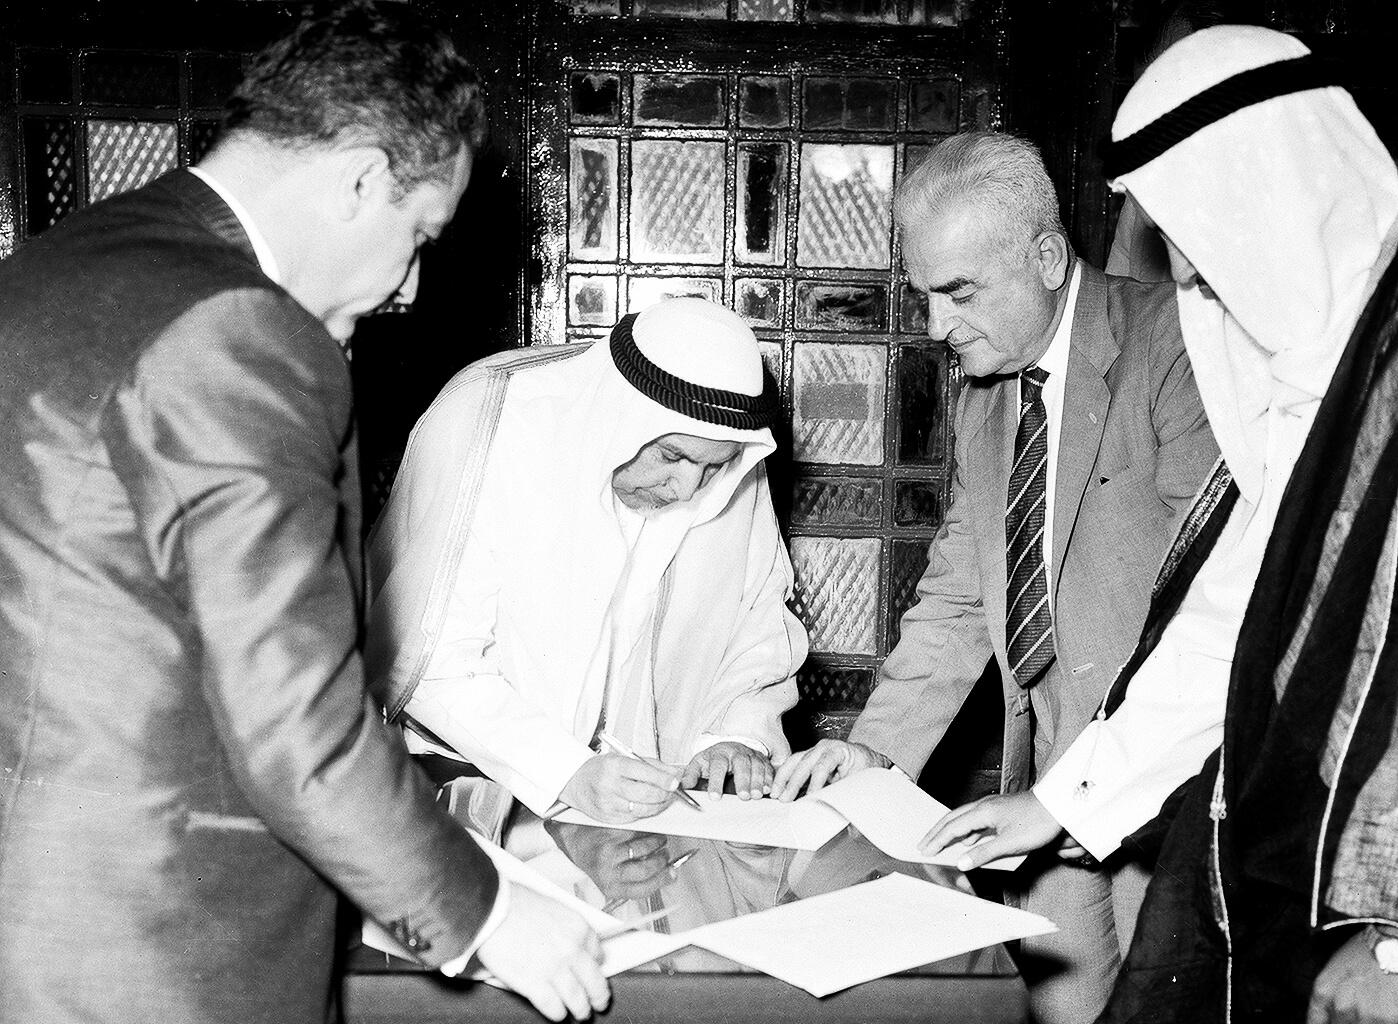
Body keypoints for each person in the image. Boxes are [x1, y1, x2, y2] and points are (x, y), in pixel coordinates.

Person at [0, 5, 608, 1023]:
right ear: (360, 177)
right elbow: (295, 725)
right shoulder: (242, 330)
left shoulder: (56, 267)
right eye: (416, 236)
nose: (407, 285)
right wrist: (487, 910)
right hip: (154, 953)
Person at [769, 131, 1219, 1023]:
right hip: (1039, 786)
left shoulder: (1176, 346)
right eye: (925, 295)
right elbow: (959, 601)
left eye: (960, 293)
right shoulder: (987, 396)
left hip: (1169, 785)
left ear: (1048, 258)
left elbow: (1204, 602)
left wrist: (1080, 788)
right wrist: (876, 753)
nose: (937, 327)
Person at [1005, 25, 1398, 1024]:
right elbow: (1235, 615)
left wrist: (1393, 939)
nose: (1194, 279)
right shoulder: (1315, 378)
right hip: (1267, 851)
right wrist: (1060, 803)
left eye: (1202, 246)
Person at [366, 297, 807, 824]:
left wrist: (734, 737)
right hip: (462, 782)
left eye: (713, 468)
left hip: (640, 795)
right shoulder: (492, 421)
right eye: (671, 455)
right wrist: (566, 771)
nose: (689, 487)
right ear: (619, 416)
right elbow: (429, 660)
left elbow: (755, 624)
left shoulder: (718, 455)